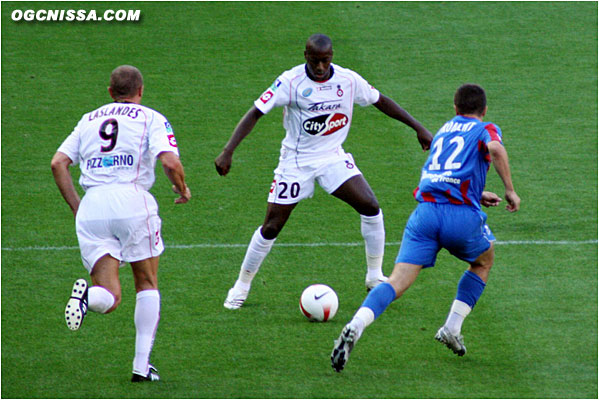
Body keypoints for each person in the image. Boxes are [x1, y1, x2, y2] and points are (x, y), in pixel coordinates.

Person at [215, 34, 433, 310]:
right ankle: (241, 285)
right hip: (295, 162)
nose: (320, 66)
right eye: (315, 60)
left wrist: (418, 127)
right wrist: (228, 150)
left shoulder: (348, 80)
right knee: (271, 226)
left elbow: (380, 101)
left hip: (331, 158)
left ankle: (374, 275)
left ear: (332, 56)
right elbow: (256, 112)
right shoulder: (290, 82)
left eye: (325, 60)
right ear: (305, 55)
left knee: (371, 206)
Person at [331, 83, 521, 372]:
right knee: (483, 261)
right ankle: (452, 328)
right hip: (460, 217)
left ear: (454, 108)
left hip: (425, 214)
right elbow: (494, 149)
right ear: (484, 110)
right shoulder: (486, 129)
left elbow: (439, 175)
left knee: (395, 282)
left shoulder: (444, 131)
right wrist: (510, 190)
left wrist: (477, 192)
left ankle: (357, 324)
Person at [51, 65, 191, 382]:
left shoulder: (87, 120)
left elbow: (58, 162)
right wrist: (182, 188)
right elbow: (169, 161)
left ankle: (86, 298)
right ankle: (141, 367)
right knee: (147, 283)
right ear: (140, 91)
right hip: (132, 202)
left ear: (110, 92)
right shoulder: (151, 117)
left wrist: (78, 206)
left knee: (109, 296)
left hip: (93, 206)